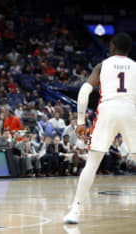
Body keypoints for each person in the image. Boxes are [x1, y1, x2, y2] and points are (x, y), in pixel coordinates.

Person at [64, 33, 136, 224]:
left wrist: (80, 121)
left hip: (107, 111)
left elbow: (84, 91)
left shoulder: (102, 65)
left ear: (112, 47)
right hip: (130, 110)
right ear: (129, 50)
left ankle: (75, 211)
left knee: (92, 163)